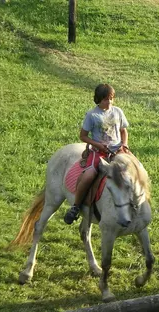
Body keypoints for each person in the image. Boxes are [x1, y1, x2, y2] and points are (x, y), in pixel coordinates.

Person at [64, 84, 130, 224]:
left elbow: (123, 130)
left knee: (134, 169)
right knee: (89, 175)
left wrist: (124, 144)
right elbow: (83, 136)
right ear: (98, 99)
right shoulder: (92, 115)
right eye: (106, 99)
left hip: (118, 150)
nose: (109, 102)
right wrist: (98, 145)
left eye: (111, 98)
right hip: (99, 152)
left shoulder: (118, 111)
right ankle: (75, 207)